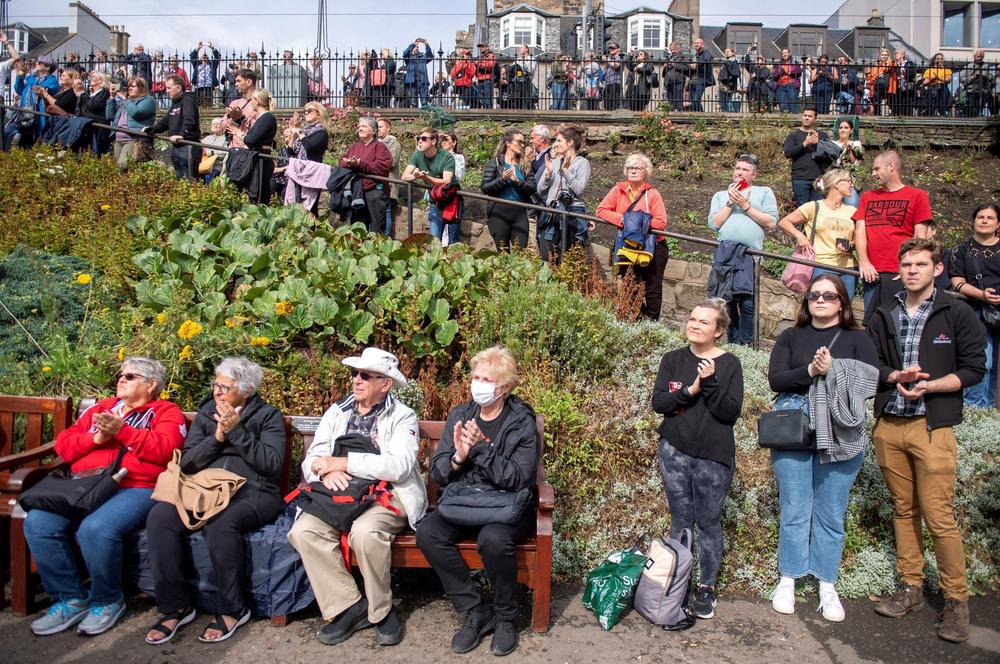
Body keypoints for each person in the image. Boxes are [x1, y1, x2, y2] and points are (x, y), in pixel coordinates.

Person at [867, 238, 986, 643]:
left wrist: (933, 386)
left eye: (921, 263)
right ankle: (911, 587)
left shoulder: (957, 310)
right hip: (891, 423)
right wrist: (893, 378)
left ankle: (956, 600)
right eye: (906, 264)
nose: (912, 270)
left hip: (932, 425)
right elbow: (873, 363)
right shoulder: (884, 310)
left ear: (937, 268)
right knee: (904, 509)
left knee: (938, 515)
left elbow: (974, 368)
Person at [25, 358, 185, 637]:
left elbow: (166, 450)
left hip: (135, 486)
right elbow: (64, 445)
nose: (121, 379)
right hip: (82, 486)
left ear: (151, 385)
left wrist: (122, 432)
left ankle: (107, 600)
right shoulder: (101, 408)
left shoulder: (165, 411)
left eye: (130, 376)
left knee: (96, 528)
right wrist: (95, 440)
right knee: (38, 522)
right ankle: (70, 598)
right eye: (120, 374)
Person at [288, 348, 424, 647]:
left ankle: (381, 610)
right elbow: (313, 456)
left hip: (387, 494)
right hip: (340, 494)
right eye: (354, 374)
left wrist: (344, 463)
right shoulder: (337, 411)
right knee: (303, 531)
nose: (356, 380)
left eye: (365, 375)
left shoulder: (403, 416)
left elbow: (398, 467)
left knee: (365, 532)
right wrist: (323, 472)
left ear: (385, 383)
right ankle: (350, 606)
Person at [145, 358, 285, 645]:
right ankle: (175, 606)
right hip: (204, 490)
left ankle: (232, 608)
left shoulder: (267, 416)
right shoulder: (207, 412)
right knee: (160, 517)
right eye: (216, 384)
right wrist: (218, 437)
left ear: (245, 391)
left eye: (225, 387)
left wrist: (237, 432)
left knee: (222, 522)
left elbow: (271, 464)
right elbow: (188, 462)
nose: (217, 392)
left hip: (254, 492)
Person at [766, 275, 878, 621]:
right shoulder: (791, 335)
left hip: (842, 431)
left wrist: (834, 370)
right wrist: (811, 370)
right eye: (814, 295)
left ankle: (827, 582)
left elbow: (872, 379)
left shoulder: (858, 338)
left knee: (831, 513)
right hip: (794, 426)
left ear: (842, 302)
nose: (820, 300)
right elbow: (776, 379)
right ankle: (789, 577)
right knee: (795, 509)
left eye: (829, 295)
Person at [416, 346, 539, 657]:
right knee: (428, 532)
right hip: (466, 500)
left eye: (488, 379)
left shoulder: (521, 421)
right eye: (476, 377)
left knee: (493, 539)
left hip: (506, 504)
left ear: (506, 387)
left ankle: (506, 618)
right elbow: (440, 472)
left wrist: (480, 450)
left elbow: (519, 478)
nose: (479, 384)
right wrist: (458, 455)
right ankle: (475, 609)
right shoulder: (461, 414)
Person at [651, 299, 744, 620]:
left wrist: (711, 384)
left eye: (704, 322)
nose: (694, 324)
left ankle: (705, 587)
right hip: (674, 450)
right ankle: (677, 583)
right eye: (692, 318)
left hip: (713, 458)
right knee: (680, 519)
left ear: (718, 331)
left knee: (707, 522)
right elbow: (660, 402)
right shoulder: (673, 359)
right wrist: (690, 391)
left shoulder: (730, 364)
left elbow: (729, 413)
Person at [708, 153, 779, 344]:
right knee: (727, 301)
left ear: (754, 174)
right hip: (726, 253)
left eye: (745, 170)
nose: (740, 173)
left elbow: (771, 222)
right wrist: (731, 203)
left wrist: (745, 205)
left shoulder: (764, 192)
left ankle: (746, 344)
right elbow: (714, 224)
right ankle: (733, 343)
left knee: (747, 303)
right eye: (738, 169)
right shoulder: (720, 196)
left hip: (749, 256)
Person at [852, 150, 933, 318]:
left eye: (876, 169)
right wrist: (864, 262)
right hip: (872, 273)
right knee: (873, 325)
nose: (873, 174)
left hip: (900, 274)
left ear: (891, 166)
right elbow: (860, 231)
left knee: (900, 324)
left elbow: (920, 237)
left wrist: (910, 266)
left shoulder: (917, 196)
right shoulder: (868, 197)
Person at [596, 152, 669, 320]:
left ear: (646, 172)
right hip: (628, 246)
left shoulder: (652, 194)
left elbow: (661, 223)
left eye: (638, 167)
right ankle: (637, 320)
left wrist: (637, 223)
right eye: (630, 167)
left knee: (652, 290)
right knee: (631, 286)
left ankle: (651, 325)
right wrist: (624, 220)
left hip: (653, 247)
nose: (633, 170)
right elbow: (601, 210)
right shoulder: (618, 190)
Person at [949, 203, 1000, 407]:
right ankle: (974, 408)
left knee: (996, 366)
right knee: (982, 361)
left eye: (990, 218)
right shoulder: (961, 250)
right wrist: (982, 295)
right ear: (973, 221)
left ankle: (991, 408)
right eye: (980, 217)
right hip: (975, 311)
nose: (985, 221)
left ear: (998, 224)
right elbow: (957, 282)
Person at [778, 168, 859, 296]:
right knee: (820, 307)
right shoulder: (814, 207)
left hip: (848, 269)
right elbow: (784, 222)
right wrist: (800, 236)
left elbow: (858, 238)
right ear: (836, 184)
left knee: (845, 311)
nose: (852, 185)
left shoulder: (852, 211)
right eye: (849, 181)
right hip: (820, 266)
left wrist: (852, 244)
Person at [536, 124, 592, 263]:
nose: (556, 144)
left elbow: (579, 189)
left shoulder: (582, 163)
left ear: (570, 142)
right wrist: (548, 175)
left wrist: (566, 171)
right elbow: (540, 191)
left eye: (559, 140)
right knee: (546, 258)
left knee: (567, 260)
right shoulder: (553, 163)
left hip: (572, 214)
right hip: (552, 213)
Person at [480, 128, 535, 251]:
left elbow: (532, 188)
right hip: (499, 211)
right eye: (519, 142)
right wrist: (502, 179)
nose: (522, 145)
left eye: (523, 142)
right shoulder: (495, 163)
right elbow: (485, 187)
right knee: (503, 253)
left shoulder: (524, 164)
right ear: (508, 143)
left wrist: (518, 181)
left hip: (519, 212)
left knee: (520, 252)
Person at [340, 116, 393, 234]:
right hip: (357, 192)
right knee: (357, 228)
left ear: (374, 131)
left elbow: (383, 167)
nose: (360, 128)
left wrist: (360, 163)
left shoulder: (380, 147)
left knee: (376, 228)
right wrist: (348, 163)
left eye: (364, 126)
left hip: (375, 191)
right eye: (359, 126)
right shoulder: (355, 147)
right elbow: (341, 161)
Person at [402, 127, 455, 243]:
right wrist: (417, 176)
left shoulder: (446, 156)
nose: (420, 141)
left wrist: (426, 177)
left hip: (451, 201)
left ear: (434, 141)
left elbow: (447, 180)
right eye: (418, 139)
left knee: (452, 241)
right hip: (434, 201)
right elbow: (405, 176)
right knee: (435, 239)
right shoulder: (418, 155)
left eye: (424, 138)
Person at [147, 74, 201, 180]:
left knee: (189, 178)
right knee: (179, 178)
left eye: (169, 88)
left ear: (179, 88)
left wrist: (182, 135)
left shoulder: (187, 100)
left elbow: (189, 119)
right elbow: (166, 121)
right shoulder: (175, 103)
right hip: (177, 146)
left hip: (188, 145)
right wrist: (152, 130)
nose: (167, 91)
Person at [231, 88, 277, 204]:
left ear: (257, 101)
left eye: (252, 99)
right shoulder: (261, 119)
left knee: (260, 196)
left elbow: (252, 139)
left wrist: (239, 133)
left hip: (262, 161)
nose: (251, 102)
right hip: (256, 160)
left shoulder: (268, 118)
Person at [106, 76, 156, 170]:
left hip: (133, 139)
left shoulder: (148, 101)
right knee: (119, 169)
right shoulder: (127, 102)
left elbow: (136, 113)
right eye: (129, 86)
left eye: (133, 86)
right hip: (118, 139)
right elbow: (110, 116)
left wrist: (124, 99)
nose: (130, 88)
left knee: (122, 166)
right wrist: (112, 98)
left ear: (141, 88)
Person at [783, 107, 829, 207]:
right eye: (805, 115)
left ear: (815, 119)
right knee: (802, 210)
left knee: (818, 209)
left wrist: (818, 144)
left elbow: (829, 157)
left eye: (810, 116)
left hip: (818, 179)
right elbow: (788, 153)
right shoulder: (793, 136)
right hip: (800, 178)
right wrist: (805, 143)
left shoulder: (822, 135)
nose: (807, 118)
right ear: (801, 117)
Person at [220, 68, 259, 150]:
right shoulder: (234, 103)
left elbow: (260, 128)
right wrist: (231, 118)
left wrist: (242, 117)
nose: (236, 84)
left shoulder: (260, 103)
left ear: (249, 82)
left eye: (239, 81)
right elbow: (222, 128)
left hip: (249, 150)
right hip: (233, 150)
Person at [378, 117, 402, 237]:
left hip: (388, 182)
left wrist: (374, 162)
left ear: (388, 128)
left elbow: (392, 162)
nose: (378, 129)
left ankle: (386, 237)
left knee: (386, 210)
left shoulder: (393, 143)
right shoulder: (376, 142)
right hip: (377, 182)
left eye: (381, 126)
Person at [77, 71, 111, 155]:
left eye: (94, 77)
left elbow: (94, 107)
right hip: (86, 127)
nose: (90, 78)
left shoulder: (103, 92)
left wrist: (83, 94)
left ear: (100, 81)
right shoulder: (90, 94)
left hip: (98, 129)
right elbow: (80, 107)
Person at [831, 117, 863, 206]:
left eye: (846, 128)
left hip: (849, 182)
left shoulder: (856, 144)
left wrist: (849, 150)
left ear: (851, 130)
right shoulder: (832, 144)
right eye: (841, 128)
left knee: (852, 206)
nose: (843, 130)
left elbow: (852, 163)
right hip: (834, 181)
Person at [960, 49, 994, 118]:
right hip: (971, 90)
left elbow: (991, 78)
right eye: (978, 56)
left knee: (980, 107)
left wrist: (985, 76)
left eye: (981, 57)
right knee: (971, 107)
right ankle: (970, 119)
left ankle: (979, 117)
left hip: (983, 90)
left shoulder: (986, 66)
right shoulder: (969, 66)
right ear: (974, 56)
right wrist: (972, 77)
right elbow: (961, 79)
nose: (979, 58)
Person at [403, 37, 433, 108]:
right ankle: (414, 117)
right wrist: (413, 44)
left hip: (423, 81)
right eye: (415, 47)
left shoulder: (423, 56)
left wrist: (426, 44)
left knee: (424, 102)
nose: (416, 48)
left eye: (417, 47)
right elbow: (404, 54)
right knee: (413, 102)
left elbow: (430, 56)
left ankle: (425, 116)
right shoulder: (408, 58)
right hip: (412, 82)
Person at [190, 42, 222, 108]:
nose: (204, 57)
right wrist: (198, 48)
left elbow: (218, 56)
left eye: (206, 56)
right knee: (198, 103)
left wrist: (212, 47)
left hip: (209, 85)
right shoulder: (197, 64)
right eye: (203, 56)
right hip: (199, 85)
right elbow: (192, 56)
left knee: (208, 103)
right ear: (200, 57)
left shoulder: (212, 64)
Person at [688, 38, 714, 112]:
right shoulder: (694, 55)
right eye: (695, 43)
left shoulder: (706, 52)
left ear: (702, 45)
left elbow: (706, 61)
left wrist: (696, 65)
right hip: (692, 81)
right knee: (693, 101)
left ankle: (701, 115)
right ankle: (697, 115)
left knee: (696, 99)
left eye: (698, 43)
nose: (696, 44)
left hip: (701, 80)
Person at [773, 49, 802, 113]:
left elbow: (799, 72)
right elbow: (774, 76)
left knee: (792, 104)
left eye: (786, 53)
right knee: (782, 104)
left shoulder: (794, 63)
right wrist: (781, 72)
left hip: (791, 84)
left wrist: (788, 72)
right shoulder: (779, 64)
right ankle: (784, 118)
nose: (784, 54)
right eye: (783, 53)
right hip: (781, 85)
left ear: (789, 54)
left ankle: (794, 117)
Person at [201, 117, 228, 184]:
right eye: (213, 124)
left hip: (216, 166)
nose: (215, 125)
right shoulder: (207, 138)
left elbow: (226, 152)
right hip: (203, 164)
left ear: (223, 126)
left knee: (208, 176)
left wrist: (211, 153)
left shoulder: (227, 139)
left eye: (218, 124)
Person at [663, 42, 688, 111]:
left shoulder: (683, 58)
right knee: (670, 103)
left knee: (678, 101)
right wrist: (666, 67)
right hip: (669, 82)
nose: (672, 51)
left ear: (678, 49)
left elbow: (686, 68)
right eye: (671, 50)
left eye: (673, 49)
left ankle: (680, 116)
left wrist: (674, 65)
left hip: (678, 82)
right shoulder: (670, 58)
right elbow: (663, 74)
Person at [717, 48, 742, 113]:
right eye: (725, 51)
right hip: (723, 85)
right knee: (723, 102)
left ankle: (729, 115)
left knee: (727, 102)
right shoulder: (726, 62)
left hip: (729, 84)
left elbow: (737, 73)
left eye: (728, 51)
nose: (726, 53)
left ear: (733, 53)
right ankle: (725, 114)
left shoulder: (734, 62)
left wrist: (728, 69)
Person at [603, 42, 624, 111]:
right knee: (607, 104)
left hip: (615, 82)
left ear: (618, 49)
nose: (611, 50)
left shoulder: (620, 57)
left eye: (613, 48)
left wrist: (608, 60)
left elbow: (616, 66)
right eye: (610, 48)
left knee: (614, 102)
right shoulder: (610, 58)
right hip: (607, 82)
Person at [475, 43, 496, 109]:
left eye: (482, 47)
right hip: (480, 79)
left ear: (487, 47)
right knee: (480, 98)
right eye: (480, 47)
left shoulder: (491, 55)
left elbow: (490, 66)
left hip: (487, 79)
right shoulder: (480, 57)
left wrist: (479, 64)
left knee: (487, 98)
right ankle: (483, 113)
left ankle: (489, 114)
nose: (480, 48)